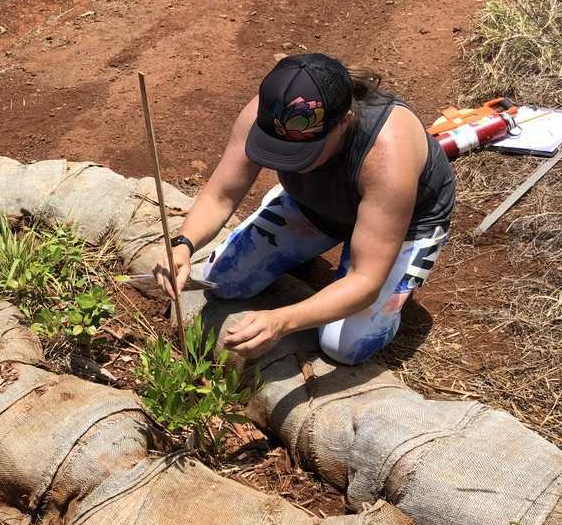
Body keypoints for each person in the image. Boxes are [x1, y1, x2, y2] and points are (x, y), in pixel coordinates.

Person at [155, 52, 455, 365]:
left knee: (344, 346)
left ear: (343, 123)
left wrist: (282, 321)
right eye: (277, 151)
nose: (289, 164)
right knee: (224, 281)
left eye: (301, 153)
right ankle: (298, 225)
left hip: (406, 222)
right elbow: (220, 195)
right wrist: (183, 245)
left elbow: (365, 280)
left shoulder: (387, 153)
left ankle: (394, 293)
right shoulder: (271, 112)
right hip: (316, 203)